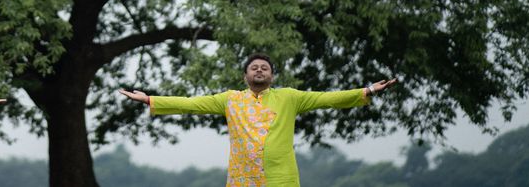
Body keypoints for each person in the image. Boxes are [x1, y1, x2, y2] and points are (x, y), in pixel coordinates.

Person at [118, 53, 397, 187]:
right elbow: (192, 104)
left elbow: (329, 98)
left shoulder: (289, 97)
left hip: (282, 179)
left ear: (272, 76)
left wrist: (367, 91)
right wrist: (150, 99)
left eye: (265, 68)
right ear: (245, 77)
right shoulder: (230, 99)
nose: (260, 70)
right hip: (243, 180)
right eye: (254, 67)